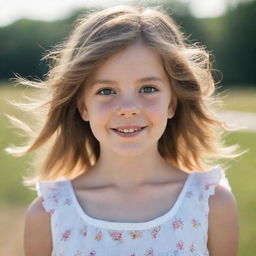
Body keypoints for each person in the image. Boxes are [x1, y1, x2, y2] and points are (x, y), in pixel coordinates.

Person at [8, 4, 240, 256]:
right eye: (106, 91)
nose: (128, 109)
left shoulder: (211, 204)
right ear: (83, 107)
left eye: (148, 88)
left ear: (172, 103)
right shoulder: (49, 214)